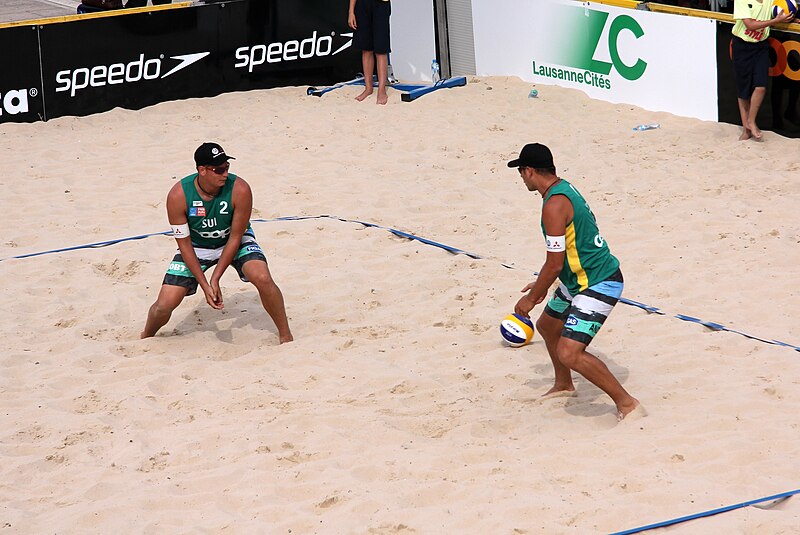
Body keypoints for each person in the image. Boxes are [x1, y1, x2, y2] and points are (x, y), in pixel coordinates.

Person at [507, 143, 642, 421]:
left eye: (521, 171)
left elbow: (554, 262)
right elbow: (561, 256)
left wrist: (531, 299)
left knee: (569, 352)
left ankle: (627, 404)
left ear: (530, 171)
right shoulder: (563, 189)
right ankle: (564, 384)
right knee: (547, 326)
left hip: (598, 281)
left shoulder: (554, 205)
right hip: (575, 279)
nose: (521, 177)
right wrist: (541, 282)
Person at [141, 142, 293, 343]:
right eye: (219, 169)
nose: (225, 173)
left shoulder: (240, 189)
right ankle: (146, 337)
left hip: (232, 240)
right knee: (164, 304)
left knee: (262, 277)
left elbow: (236, 237)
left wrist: (216, 278)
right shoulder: (178, 195)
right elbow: (184, 246)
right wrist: (205, 285)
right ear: (201, 170)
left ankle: (286, 335)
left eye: (227, 167)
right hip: (196, 246)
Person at [731, 0, 794, 140]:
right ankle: (746, 130)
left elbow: (782, 9)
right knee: (743, 90)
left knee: (761, 87)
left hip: (761, 46)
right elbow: (750, 25)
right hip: (741, 46)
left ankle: (751, 122)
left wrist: (791, 18)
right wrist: (774, 21)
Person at [348, 0, 392, 105]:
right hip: (363, 4)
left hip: (381, 4)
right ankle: (368, 88)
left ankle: (381, 90)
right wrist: (351, 12)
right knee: (366, 49)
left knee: (381, 50)